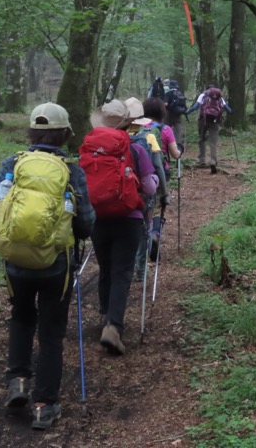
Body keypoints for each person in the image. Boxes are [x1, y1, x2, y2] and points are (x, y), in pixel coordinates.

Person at [0, 102, 95, 431]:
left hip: (15, 261)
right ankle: (45, 404)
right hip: (55, 265)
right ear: (63, 135)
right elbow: (86, 225)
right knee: (51, 333)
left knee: (20, 317)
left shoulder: (11, 163)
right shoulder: (72, 171)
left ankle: (17, 381)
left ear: (32, 132)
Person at [86, 100, 157, 355]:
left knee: (105, 267)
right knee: (122, 272)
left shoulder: (91, 148)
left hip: (98, 218)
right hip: (129, 216)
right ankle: (113, 327)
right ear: (128, 123)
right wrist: (156, 181)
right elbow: (149, 187)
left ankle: (105, 314)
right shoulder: (136, 148)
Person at [133, 97, 183, 280]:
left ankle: (138, 253)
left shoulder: (136, 130)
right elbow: (174, 153)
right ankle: (154, 234)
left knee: (139, 212)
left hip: (136, 177)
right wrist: (180, 151)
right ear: (162, 112)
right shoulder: (164, 129)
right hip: (158, 175)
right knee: (156, 209)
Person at [185, 85, 233, 174]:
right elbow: (229, 110)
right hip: (215, 121)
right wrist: (230, 111)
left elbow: (195, 107)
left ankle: (202, 159)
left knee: (201, 139)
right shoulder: (219, 98)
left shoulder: (203, 96)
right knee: (213, 142)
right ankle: (213, 160)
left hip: (203, 120)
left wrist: (187, 112)